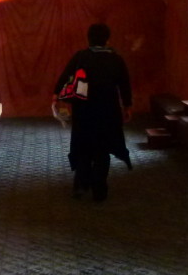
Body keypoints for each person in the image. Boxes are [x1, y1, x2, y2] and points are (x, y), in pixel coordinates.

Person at [53, 23, 132, 200]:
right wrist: (127, 106)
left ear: (88, 38)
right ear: (107, 39)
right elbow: (124, 85)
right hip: (108, 111)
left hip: (84, 110)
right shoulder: (116, 59)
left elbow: (65, 76)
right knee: (103, 149)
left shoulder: (81, 57)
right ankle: (99, 189)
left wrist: (56, 95)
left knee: (83, 146)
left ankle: (81, 184)